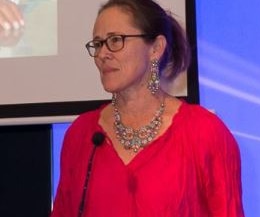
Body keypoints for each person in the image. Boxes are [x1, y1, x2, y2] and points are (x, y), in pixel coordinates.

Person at [51, 0, 245, 216]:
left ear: (156, 48)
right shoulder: (82, 134)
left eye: (116, 40)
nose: (102, 54)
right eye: (98, 44)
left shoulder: (204, 132)